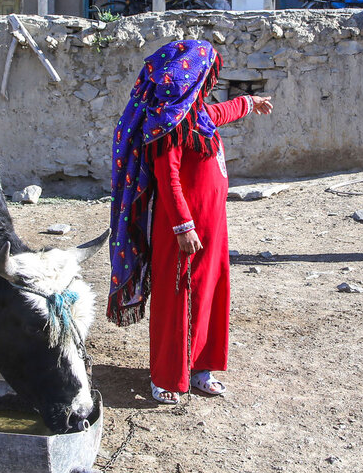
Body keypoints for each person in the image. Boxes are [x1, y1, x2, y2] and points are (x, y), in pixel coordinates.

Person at [107, 40, 273, 405]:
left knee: (210, 289)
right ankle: (166, 377)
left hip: (213, 224)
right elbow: (167, 178)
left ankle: (200, 368)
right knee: (176, 295)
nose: (210, 84)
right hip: (181, 230)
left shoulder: (195, 115)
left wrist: (250, 103)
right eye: (208, 75)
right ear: (194, 78)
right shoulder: (166, 126)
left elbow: (221, 111)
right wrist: (183, 226)